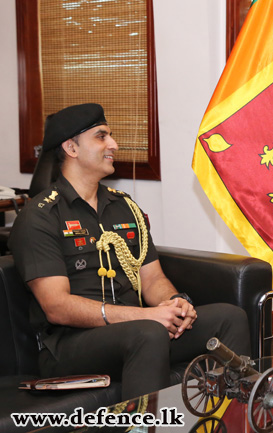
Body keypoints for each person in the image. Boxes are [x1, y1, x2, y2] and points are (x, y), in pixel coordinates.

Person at [9, 103, 251, 400]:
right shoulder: (41, 216)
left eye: (111, 136)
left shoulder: (124, 206)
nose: (114, 144)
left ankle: (234, 416)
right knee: (146, 332)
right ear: (71, 148)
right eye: (101, 137)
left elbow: (151, 279)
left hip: (136, 332)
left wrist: (174, 303)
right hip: (70, 345)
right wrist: (146, 316)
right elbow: (56, 306)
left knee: (230, 317)